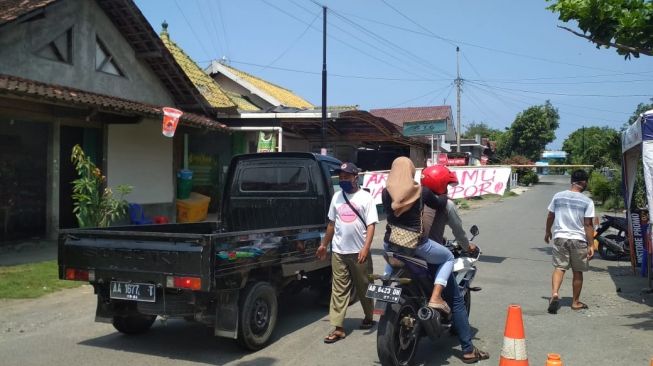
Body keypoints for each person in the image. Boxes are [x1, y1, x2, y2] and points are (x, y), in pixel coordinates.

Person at [421, 165, 489, 364]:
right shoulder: (445, 205)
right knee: (457, 300)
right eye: (447, 184)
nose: (449, 188)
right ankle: (468, 350)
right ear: (442, 184)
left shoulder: (412, 198)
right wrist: (467, 246)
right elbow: (459, 232)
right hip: (428, 255)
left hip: (402, 252)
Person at [316, 162, 378, 344]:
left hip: (359, 252)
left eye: (346, 177)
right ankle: (338, 328)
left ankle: (368, 315)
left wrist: (366, 247)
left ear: (355, 177)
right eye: (340, 177)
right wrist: (323, 244)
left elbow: (371, 225)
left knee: (364, 286)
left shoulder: (366, 198)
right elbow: (331, 224)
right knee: (339, 290)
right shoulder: (337, 197)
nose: (343, 180)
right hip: (339, 251)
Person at [382, 157, 453, 314]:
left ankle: (385, 281)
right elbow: (439, 204)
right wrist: (445, 194)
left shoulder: (385, 192)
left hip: (390, 242)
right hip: (415, 245)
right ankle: (435, 297)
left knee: (393, 254)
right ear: (411, 172)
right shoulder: (422, 191)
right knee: (448, 258)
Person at [545, 169, 595, 314]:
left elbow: (550, 215)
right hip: (578, 240)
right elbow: (588, 224)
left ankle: (554, 294)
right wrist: (591, 244)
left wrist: (548, 231)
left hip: (560, 237)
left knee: (559, 267)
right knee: (577, 271)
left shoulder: (558, 196)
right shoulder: (587, 201)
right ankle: (575, 302)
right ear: (584, 182)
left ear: (571, 180)